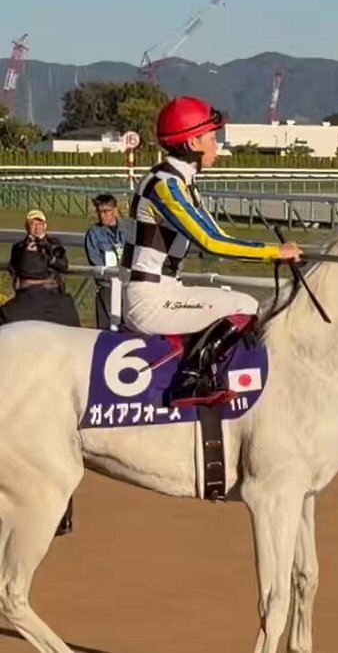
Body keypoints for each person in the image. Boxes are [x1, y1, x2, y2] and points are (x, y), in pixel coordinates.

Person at [121, 96, 302, 404]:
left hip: (165, 291)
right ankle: (191, 380)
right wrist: (274, 253)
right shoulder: (166, 185)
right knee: (245, 306)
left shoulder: (183, 183)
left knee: (238, 301)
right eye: (212, 138)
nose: (217, 146)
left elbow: (216, 234)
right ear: (193, 143)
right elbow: (213, 243)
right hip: (150, 299)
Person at [2, 228, 82, 536]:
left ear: (17, 277)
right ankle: (63, 518)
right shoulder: (67, 306)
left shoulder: (9, 312)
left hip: (25, 404)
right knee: (63, 458)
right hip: (67, 399)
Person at [83, 193, 126, 330]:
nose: (102, 215)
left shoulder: (128, 230)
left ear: (115, 210)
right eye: (99, 212)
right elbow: (95, 261)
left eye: (106, 211)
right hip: (107, 286)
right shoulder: (94, 233)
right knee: (107, 329)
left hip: (128, 286)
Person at [10, 210, 68, 293]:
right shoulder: (18, 247)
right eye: (32, 223)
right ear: (26, 226)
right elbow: (14, 270)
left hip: (51, 289)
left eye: (40, 224)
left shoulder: (53, 244)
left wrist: (48, 258)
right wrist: (26, 254)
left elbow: (64, 266)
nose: (36, 227)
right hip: (27, 290)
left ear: (45, 226)